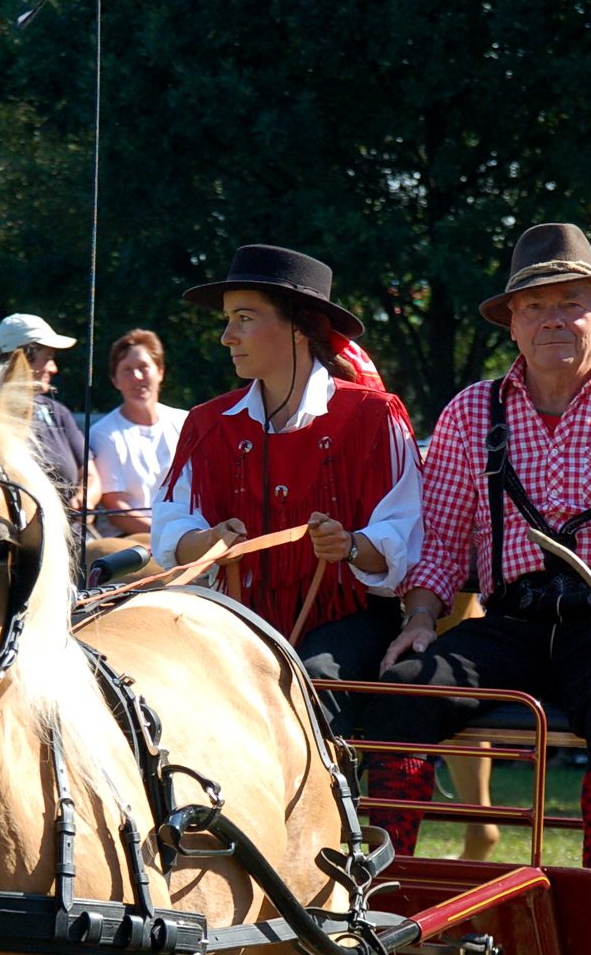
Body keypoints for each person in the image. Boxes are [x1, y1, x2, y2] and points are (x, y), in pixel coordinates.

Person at [367, 222, 591, 888]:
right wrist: (418, 618)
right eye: (534, 306)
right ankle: (389, 893)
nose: (552, 319)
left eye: (571, 303)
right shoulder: (472, 412)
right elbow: (441, 543)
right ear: (511, 324)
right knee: (404, 692)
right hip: (512, 624)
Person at [152, 243, 422, 752]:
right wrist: (208, 540)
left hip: (347, 620)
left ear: (300, 326)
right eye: (230, 319)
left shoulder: (375, 416)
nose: (227, 335)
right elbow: (170, 535)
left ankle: (312, 827)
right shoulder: (208, 424)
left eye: (245, 318)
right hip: (234, 617)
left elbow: (404, 540)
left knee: (309, 686)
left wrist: (347, 545)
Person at [0, 312, 98, 514]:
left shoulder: (58, 412)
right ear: (22, 358)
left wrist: (86, 498)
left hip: (74, 537)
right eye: (47, 358)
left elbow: (90, 474)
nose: (54, 368)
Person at [90, 330, 187, 542]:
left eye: (144, 367)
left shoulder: (185, 423)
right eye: (126, 370)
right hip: (131, 541)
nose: (137, 377)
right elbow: (117, 510)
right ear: (115, 380)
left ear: (160, 371)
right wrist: (170, 538)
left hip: (186, 534)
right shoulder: (103, 433)